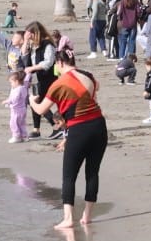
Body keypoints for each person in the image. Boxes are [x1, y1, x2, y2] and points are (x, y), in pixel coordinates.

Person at [33, 52, 106, 229]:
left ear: (59, 62)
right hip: (98, 126)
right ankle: (87, 216)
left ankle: (68, 219)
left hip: (79, 129)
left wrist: (31, 100)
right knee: (92, 172)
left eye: (55, 65)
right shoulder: (89, 76)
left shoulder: (59, 83)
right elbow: (91, 98)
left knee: (69, 176)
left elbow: (42, 110)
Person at [23, 22, 60, 139]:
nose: (30, 38)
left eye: (31, 35)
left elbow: (48, 62)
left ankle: (56, 125)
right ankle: (36, 129)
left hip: (48, 78)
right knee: (34, 101)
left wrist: (33, 68)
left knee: (39, 102)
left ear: (36, 34)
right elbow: (23, 56)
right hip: (36, 78)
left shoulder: (48, 45)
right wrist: (25, 41)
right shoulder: (33, 45)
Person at [5, 69, 31, 144]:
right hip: (23, 109)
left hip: (16, 111)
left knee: (13, 123)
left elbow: (14, 99)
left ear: (16, 81)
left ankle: (16, 136)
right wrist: (28, 74)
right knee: (21, 123)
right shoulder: (23, 86)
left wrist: (7, 101)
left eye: (11, 82)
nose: (11, 84)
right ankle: (24, 136)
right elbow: (26, 80)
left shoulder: (18, 90)